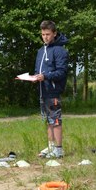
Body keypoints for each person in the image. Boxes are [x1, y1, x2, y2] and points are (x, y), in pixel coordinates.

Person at [33, 20, 68, 159]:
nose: (45, 37)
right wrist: (35, 77)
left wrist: (46, 76)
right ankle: (51, 146)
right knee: (48, 120)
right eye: (43, 34)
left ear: (54, 33)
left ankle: (59, 149)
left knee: (55, 120)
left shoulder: (60, 51)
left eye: (48, 34)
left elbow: (61, 72)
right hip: (43, 91)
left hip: (53, 91)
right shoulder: (40, 51)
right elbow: (38, 70)